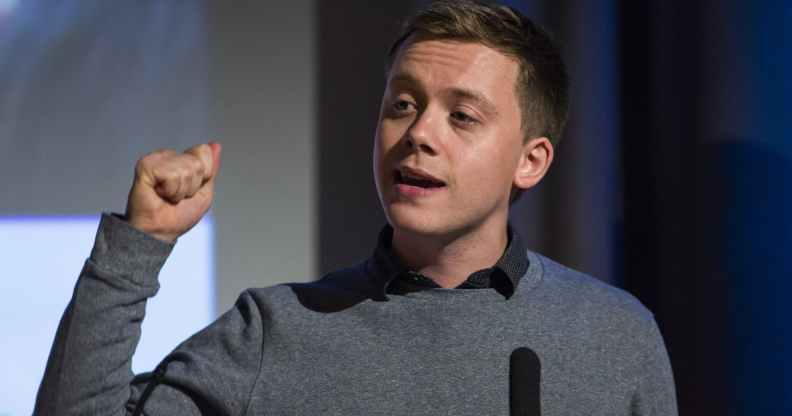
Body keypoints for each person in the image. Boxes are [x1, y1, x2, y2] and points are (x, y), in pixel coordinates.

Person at [35, 1, 678, 415]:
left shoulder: (614, 335)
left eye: (462, 116)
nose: (419, 134)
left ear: (530, 161)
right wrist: (137, 247)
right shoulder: (277, 330)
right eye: (402, 104)